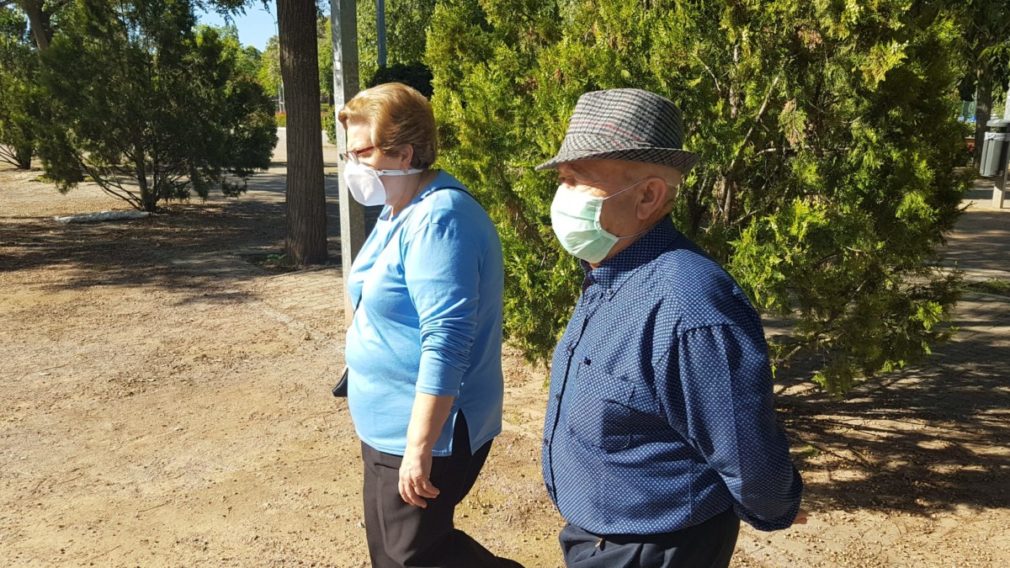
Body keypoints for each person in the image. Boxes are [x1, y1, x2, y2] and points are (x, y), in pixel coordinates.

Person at [537, 88, 806, 568]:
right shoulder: (610, 270)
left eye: (578, 181)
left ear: (648, 196)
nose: (563, 197)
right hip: (601, 539)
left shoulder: (689, 302)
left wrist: (776, 504)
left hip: (655, 548)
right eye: (562, 180)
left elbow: (745, 449)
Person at [339, 82, 521, 568]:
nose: (351, 166)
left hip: (424, 434)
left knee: (414, 557)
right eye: (348, 152)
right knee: (392, 553)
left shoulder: (441, 219)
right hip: (386, 424)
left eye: (361, 152)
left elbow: (447, 342)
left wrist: (418, 448)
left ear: (403, 152)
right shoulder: (398, 207)